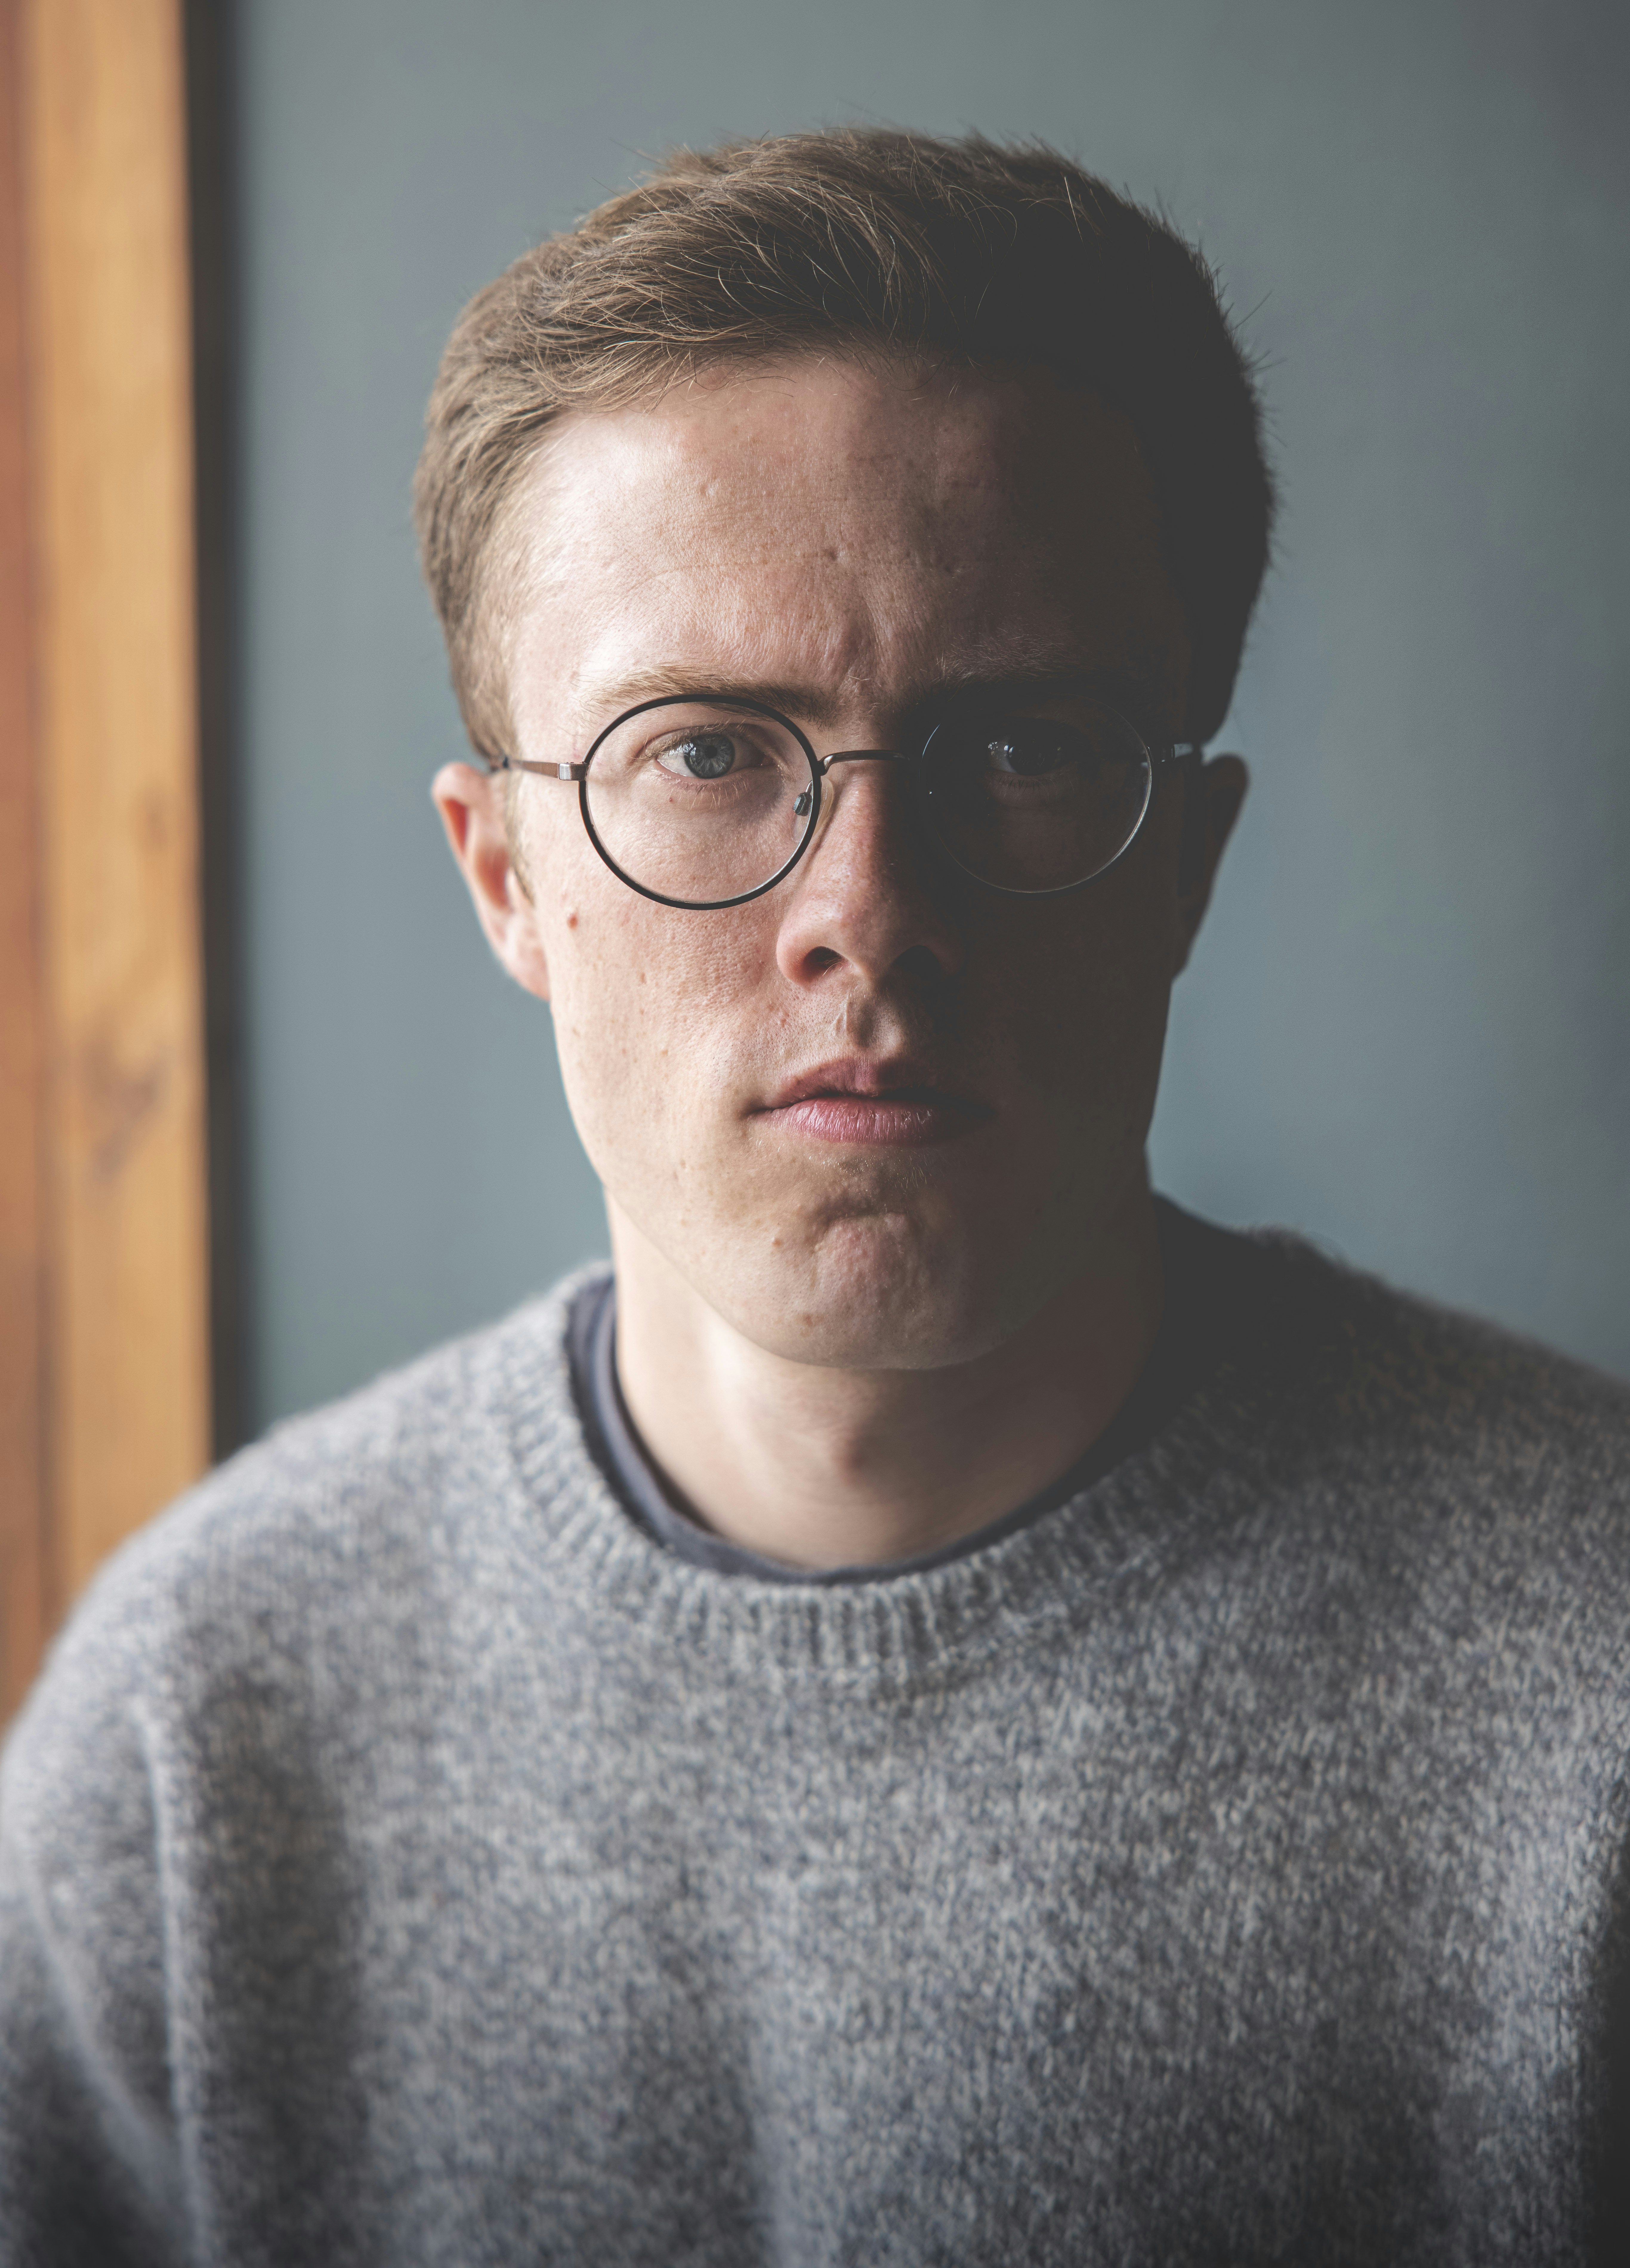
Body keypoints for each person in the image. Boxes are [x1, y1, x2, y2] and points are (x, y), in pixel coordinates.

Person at [2, 127, 1627, 2268]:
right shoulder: (201, 1726)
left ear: (1187, 862)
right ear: (508, 878)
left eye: (1019, 747)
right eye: (703, 750)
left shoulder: (1590, 1682)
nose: (867, 910)